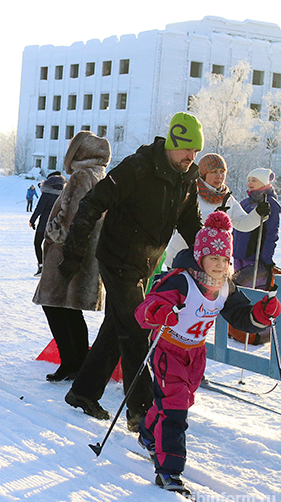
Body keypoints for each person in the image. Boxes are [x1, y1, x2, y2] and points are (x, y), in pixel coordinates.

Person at [59, 112, 204, 431]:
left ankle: (83, 392)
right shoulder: (137, 168)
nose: (191, 157)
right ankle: (143, 415)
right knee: (138, 329)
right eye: (187, 150)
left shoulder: (187, 179)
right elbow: (92, 203)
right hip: (117, 258)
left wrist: (210, 256)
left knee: (117, 326)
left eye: (196, 151)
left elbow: (191, 223)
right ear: (172, 143)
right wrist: (74, 252)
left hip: (145, 265)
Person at [134, 211, 279, 496]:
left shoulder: (225, 286)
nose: (219, 265)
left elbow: (240, 316)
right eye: (214, 258)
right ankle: (169, 471)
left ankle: (148, 433)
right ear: (200, 257)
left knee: (180, 401)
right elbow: (146, 310)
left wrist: (261, 315)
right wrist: (160, 311)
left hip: (195, 354)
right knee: (175, 409)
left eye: (225, 260)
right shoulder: (181, 281)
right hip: (168, 349)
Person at [32, 132, 110, 382]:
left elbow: (71, 216)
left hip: (67, 252)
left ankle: (71, 362)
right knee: (70, 310)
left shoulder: (80, 176)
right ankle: (77, 363)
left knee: (55, 305)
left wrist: (51, 232)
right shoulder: (99, 174)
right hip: (87, 253)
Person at [165, 153, 266, 268]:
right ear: (203, 174)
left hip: (213, 262)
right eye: (213, 172)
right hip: (183, 259)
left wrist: (258, 214)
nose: (219, 176)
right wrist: (215, 218)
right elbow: (187, 223)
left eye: (222, 171)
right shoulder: (191, 193)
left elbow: (242, 223)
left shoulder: (227, 198)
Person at [233, 168, 281, 291]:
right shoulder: (244, 203)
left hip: (255, 259)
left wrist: (267, 259)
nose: (249, 183)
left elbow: (271, 233)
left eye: (254, 180)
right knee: (237, 290)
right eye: (248, 180)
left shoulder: (270, 204)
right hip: (238, 256)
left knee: (250, 291)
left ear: (264, 183)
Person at [30, 172, 66, 276]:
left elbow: (39, 209)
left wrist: (32, 220)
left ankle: (41, 266)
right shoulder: (62, 195)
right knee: (53, 246)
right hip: (57, 225)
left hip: (44, 225)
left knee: (37, 243)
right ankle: (54, 268)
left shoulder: (46, 195)